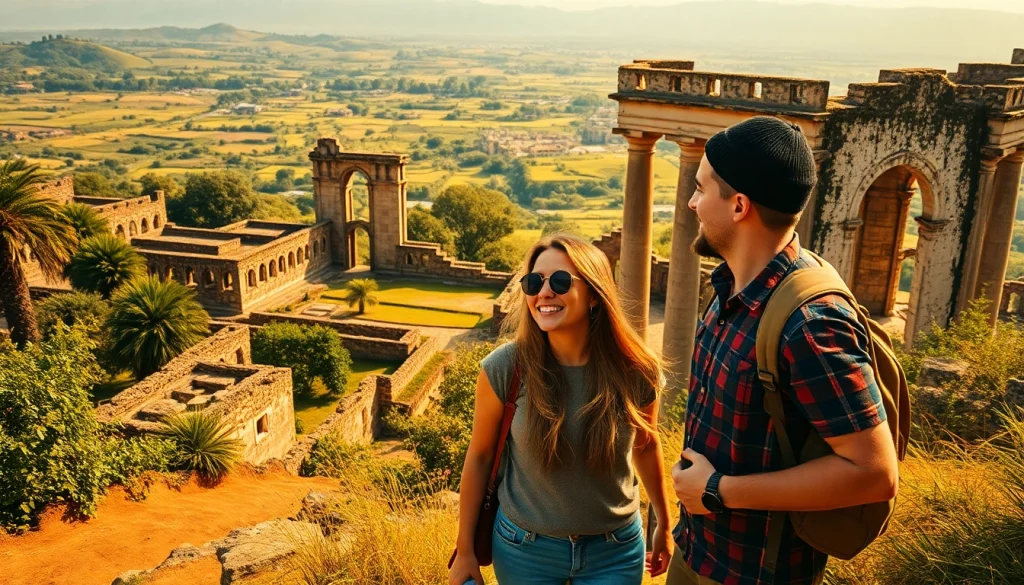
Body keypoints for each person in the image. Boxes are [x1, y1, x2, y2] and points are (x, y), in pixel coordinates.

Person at [667, 116, 900, 585]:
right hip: (699, 551)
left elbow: (874, 474)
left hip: (756, 573)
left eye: (700, 189)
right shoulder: (734, 285)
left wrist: (717, 490)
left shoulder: (809, 325)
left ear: (738, 205)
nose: (691, 203)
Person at [448, 233, 673, 585]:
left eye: (561, 281)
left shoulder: (636, 371)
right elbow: (478, 457)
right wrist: (465, 551)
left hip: (614, 551)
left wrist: (663, 522)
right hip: (524, 551)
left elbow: (646, 445)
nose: (544, 292)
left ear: (595, 296)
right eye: (534, 282)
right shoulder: (505, 368)